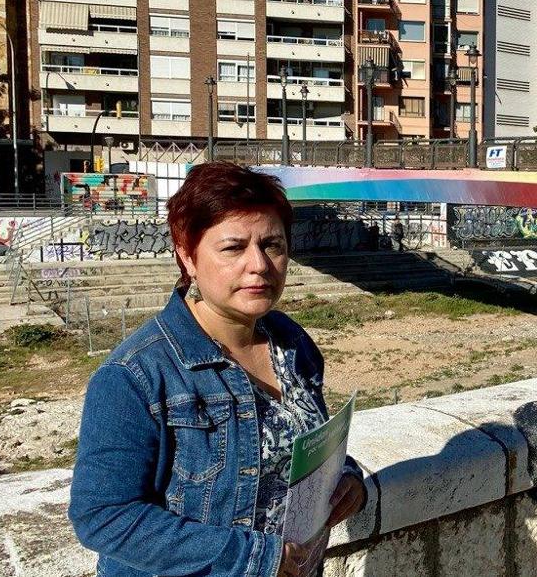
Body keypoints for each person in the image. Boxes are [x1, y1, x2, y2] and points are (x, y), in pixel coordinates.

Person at [69, 162, 367, 577]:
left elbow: (296, 447)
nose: (259, 265)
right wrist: (252, 557)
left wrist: (346, 478)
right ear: (188, 256)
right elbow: (103, 516)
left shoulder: (291, 343)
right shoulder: (136, 375)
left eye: (273, 245)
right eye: (233, 248)